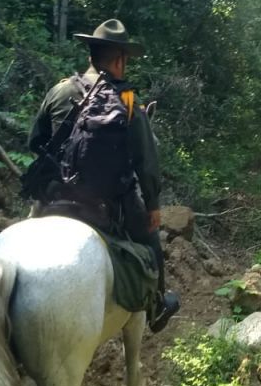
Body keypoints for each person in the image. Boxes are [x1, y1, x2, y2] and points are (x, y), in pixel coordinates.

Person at [27, 19, 180, 333]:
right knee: (150, 242)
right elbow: (146, 163)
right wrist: (152, 206)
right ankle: (157, 305)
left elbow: (34, 141)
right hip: (106, 202)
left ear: (91, 55)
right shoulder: (127, 102)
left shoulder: (60, 90)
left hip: (56, 196)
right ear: (120, 59)